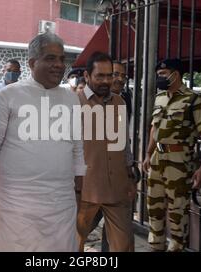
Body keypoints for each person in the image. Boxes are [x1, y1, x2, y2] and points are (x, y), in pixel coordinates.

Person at [0, 32, 86, 251]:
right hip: (15, 206)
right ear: (33, 63)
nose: (59, 65)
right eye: (51, 58)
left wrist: (78, 195)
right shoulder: (7, 96)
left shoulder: (71, 98)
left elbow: (77, 150)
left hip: (61, 205)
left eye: (62, 59)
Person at [142, 58, 201, 252]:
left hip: (179, 162)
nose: (160, 77)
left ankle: (176, 247)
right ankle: (155, 247)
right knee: (154, 209)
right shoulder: (160, 98)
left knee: (177, 212)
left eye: (164, 74)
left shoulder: (193, 99)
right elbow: (154, 127)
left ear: (176, 74)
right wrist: (149, 153)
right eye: (158, 74)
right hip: (157, 159)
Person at [76, 51, 136, 252]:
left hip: (117, 188)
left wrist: (130, 176)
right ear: (87, 76)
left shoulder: (119, 102)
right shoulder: (73, 103)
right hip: (85, 189)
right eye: (99, 76)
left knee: (124, 244)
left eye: (109, 75)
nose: (105, 81)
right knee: (73, 243)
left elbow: (124, 143)